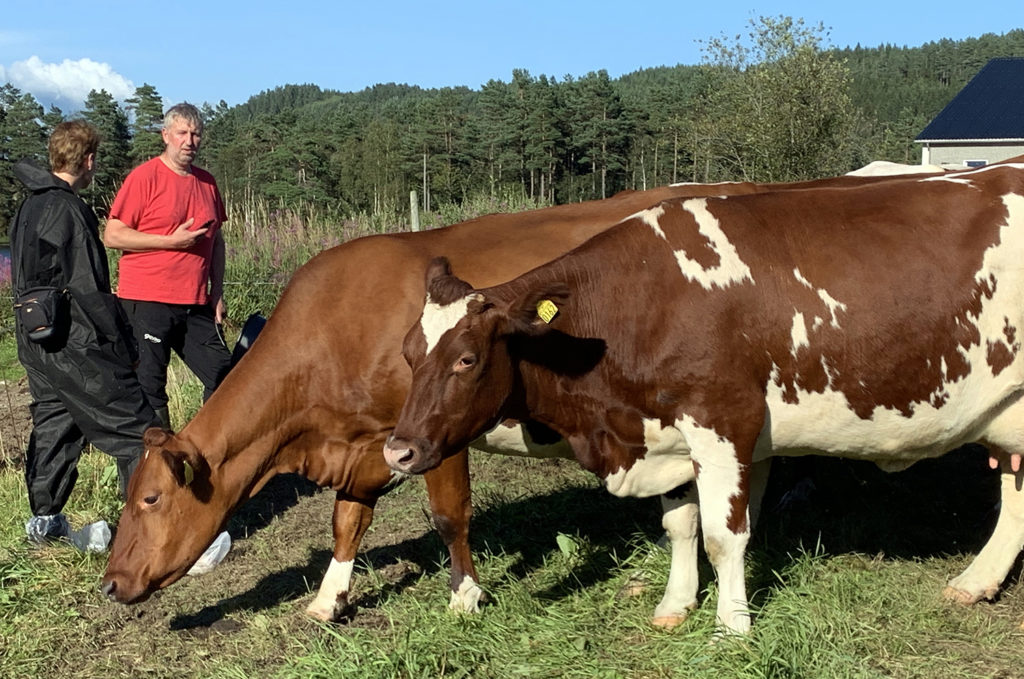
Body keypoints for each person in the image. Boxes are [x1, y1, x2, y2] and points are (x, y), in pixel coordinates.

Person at [10, 120, 158, 545]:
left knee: (55, 422)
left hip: (34, 336)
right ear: (89, 160)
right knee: (134, 426)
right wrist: (120, 344)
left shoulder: (28, 207)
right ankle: (149, 532)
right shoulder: (69, 209)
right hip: (75, 339)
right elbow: (90, 289)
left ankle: (45, 525)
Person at [102, 102, 232, 430]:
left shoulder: (208, 183)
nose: (189, 141)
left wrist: (217, 291)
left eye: (196, 134)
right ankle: (154, 471)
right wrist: (170, 242)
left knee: (225, 375)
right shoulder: (144, 177)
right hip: (147, 299)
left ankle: (208, 456)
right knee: (150, 388)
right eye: (182, 133)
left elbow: (216, 241)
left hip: (194, 302)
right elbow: (113, 235)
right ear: (166, 135)